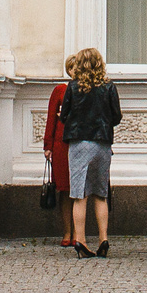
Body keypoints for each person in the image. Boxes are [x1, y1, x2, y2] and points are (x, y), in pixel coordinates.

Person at [60, 47, 120, 258]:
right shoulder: (109, 86)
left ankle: (81, 241)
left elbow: (64, 114)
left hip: (78, 143)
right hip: (102, 143)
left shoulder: (73, 86)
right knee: (100, 193)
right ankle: (103, 238)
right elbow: (116, 116)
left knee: (79, 195)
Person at [43, 55, 76, 248]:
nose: (75, 71)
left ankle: (78, 231)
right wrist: (48, 145)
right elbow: (51, 119)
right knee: (64, 189)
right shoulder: (60, 90)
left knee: (78, 189)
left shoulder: (85, 91)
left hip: (79, 143)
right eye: (72, 68)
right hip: (61, 145)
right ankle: (67, 231)